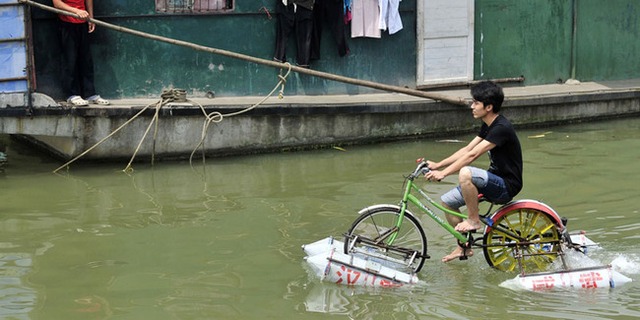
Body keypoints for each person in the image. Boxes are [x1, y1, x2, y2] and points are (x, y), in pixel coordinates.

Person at [424, 81, 523, 262]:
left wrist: (444, 174)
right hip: (493, 179)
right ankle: (464, 248)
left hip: (506, 186)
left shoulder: (501, 128)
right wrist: (438, 165)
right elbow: (467, 150)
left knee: (466, 172)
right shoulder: (488, 124)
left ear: (489, 107)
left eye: (476, 103)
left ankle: (473, 220)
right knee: (447, 203)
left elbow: (473, 156)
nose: (472, 106)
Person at [52, 0, 109, 106]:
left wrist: (90, 18)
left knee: (86, 60)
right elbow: (57, 3)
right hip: (66, 22)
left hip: (82, 21)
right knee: (70, 60)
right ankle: (71, 95)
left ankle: (90, 93)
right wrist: (76, 11)